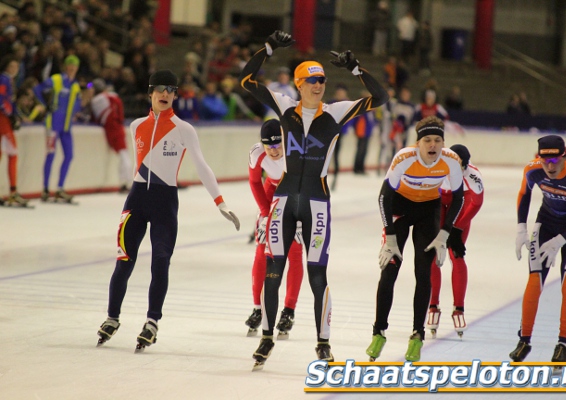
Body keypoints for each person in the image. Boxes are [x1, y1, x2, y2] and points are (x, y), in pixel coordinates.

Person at [240, 30, 388, 368]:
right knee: (273, 271)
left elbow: (379, 98)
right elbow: (247, 81)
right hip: (284, 197)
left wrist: (356, 69)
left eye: (321, 79)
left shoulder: (336, 112)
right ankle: (266, 338)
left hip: (316, 201)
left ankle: (323, 343)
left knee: (317, 274)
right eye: (311, 80)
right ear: (298, 84)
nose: (318, 85)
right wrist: (268, 47)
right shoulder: (283, 105)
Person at [96, 70, 241, 351]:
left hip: (165, 203)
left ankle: (152, 321)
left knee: (160, 261)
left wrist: (220, 201)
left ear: (175, 95)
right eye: (160, 89)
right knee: (124, 261)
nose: (165, 94)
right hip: (136, 201)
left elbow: (201, 165)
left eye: (171, 90)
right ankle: (112, 317)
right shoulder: (136, 125)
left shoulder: (184, 128)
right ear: (150, 93)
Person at [365, 115, 463, 363]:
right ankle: (379, 331)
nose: (433, 145)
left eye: (437, 140)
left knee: (423, 272)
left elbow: (458, 198)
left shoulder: (450, 160)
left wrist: (444, 233)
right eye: (427, 140)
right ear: (418, 143)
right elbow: (383, 197)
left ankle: (417, 335)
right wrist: (389, 236)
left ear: (443, 143)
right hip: (400, 209)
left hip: (428, 211)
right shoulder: (404, 158)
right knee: (390, 270)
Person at [510, 135, 566, 365]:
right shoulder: (533, 169)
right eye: (544, 160)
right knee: (534, 280)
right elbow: (524, 193)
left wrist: (561, 240)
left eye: (554, 160)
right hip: (546, 224)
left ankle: (563, 343)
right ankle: (524, 340)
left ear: (564, 156)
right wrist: (521, 228)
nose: (549, 166)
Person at [245, 119, 304, 338]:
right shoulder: (256, 153)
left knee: (294, 252)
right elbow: (254, 182)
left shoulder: (297, 150)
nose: (274, 151)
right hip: (271, 192)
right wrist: (264, 211)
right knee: (261, 250)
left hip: (296, 194)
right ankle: (258, 308)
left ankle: (289, 310)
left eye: (278, 145)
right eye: (269, 146)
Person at [426, 144, 484, 338]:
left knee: (455, 254)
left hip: (461, 204)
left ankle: (459, 308)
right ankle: (433, 305)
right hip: (439, 202)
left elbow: (476, 203)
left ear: (465, 166)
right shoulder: (436, 167)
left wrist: (457, 229)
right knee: (434, 253)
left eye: (459, 168)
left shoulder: (473, 174)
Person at [33, 55, 83, 202]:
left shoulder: (75, 85)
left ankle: (60, 188)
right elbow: (37, 89)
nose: (73, 69)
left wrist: (76, 112)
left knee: (69, 155)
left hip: (66, 127)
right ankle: (45, 189)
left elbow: (77, 104)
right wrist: (45, 105)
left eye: (75, 66)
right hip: (53, 125)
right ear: (66, 66)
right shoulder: (56, 80)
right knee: (51, 155)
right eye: (70, 65)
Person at [89, 78, 132, 193]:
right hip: (118, 127)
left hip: (110, 129)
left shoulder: (95, 101)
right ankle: (125, 182)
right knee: (124, 155)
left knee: (124, 156)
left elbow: (95, 118)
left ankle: (125, 182)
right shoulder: (114, 97)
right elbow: (121, 114)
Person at [0, 56, 29, 206]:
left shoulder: (8, 80)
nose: (14, 69)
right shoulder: (4, 79)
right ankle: (12, 191)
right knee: (13, 154)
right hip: (3, 121)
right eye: (11, 66)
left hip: (4, 120)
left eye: (16, 67)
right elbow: (1, 99)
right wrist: (11, 114)